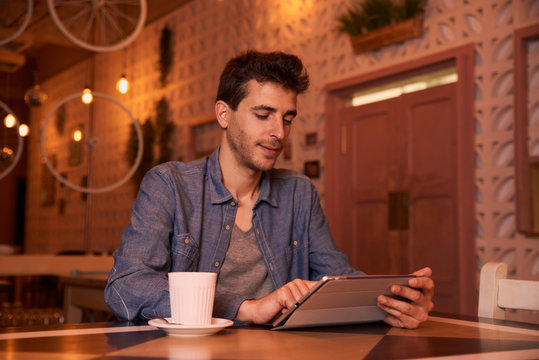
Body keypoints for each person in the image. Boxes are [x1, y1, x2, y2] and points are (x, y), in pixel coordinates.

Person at [105, 50, 434, 329]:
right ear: (224, 114)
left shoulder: (299, 193)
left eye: (287, 118)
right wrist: (247, 308)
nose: (279, 132)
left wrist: (394, 303)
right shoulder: (170, 185)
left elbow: (336, 280)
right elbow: (126, 284)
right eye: (263, 115)